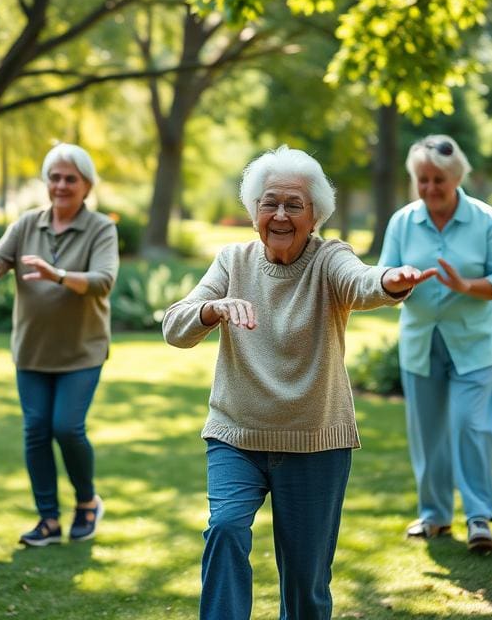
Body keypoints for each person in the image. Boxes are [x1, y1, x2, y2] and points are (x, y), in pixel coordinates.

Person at [162, 145, 437, 620]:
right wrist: (212, 309)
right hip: (237, 435)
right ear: (254, 212)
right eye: (270, 203)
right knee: (225, 528)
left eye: (295, 205)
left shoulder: (330, 258)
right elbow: (174, 326)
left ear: (315, 216)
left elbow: (363, 282)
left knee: (306, 582)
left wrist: (393, 280)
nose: (281, 215)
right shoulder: (233, 262)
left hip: (315, 439)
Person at [0, 143, 119, 547]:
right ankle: (48, 520)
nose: (61, 185)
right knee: (36, 431)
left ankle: (87, 503)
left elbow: (103, 280)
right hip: (32, 351)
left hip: (81, 350)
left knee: (67, 427)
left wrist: (58, 275)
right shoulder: (26, 225)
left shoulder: (101, 228)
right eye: (54, 177)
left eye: (71, 178)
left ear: (86, 185)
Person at [379, 135, 492, 553]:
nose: (430, 188)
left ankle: (478, 519)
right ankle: (435, 517)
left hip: (476, 346)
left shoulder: (484, 219)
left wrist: (465, 285)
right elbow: (381, 276)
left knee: (470, 427)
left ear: (455, 178)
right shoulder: (403, 221)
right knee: (428, 433)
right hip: (421, 343)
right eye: (423, 180)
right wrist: (396, 282)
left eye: (438, 179)